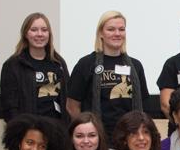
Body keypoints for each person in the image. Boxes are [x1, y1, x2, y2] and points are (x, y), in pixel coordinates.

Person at [66, 10, 157, 142]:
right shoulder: (86, 64)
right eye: (111, 29)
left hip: (130, 138)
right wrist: (88, 132)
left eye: (121, 29)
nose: (117, 34)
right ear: (101, 33)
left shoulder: (136, 66)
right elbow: (72, 106)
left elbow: (144, 104)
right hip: (98, 139)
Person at [0, 11, 69, 123]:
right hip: (27, 134)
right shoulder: (12, 65)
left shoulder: (59, 63)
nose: (39, 34)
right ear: (25, 34)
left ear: (49, 34)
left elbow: (67, 100)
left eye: (44, 30)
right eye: (34, 30)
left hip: (57, 133)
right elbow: (10, 108)